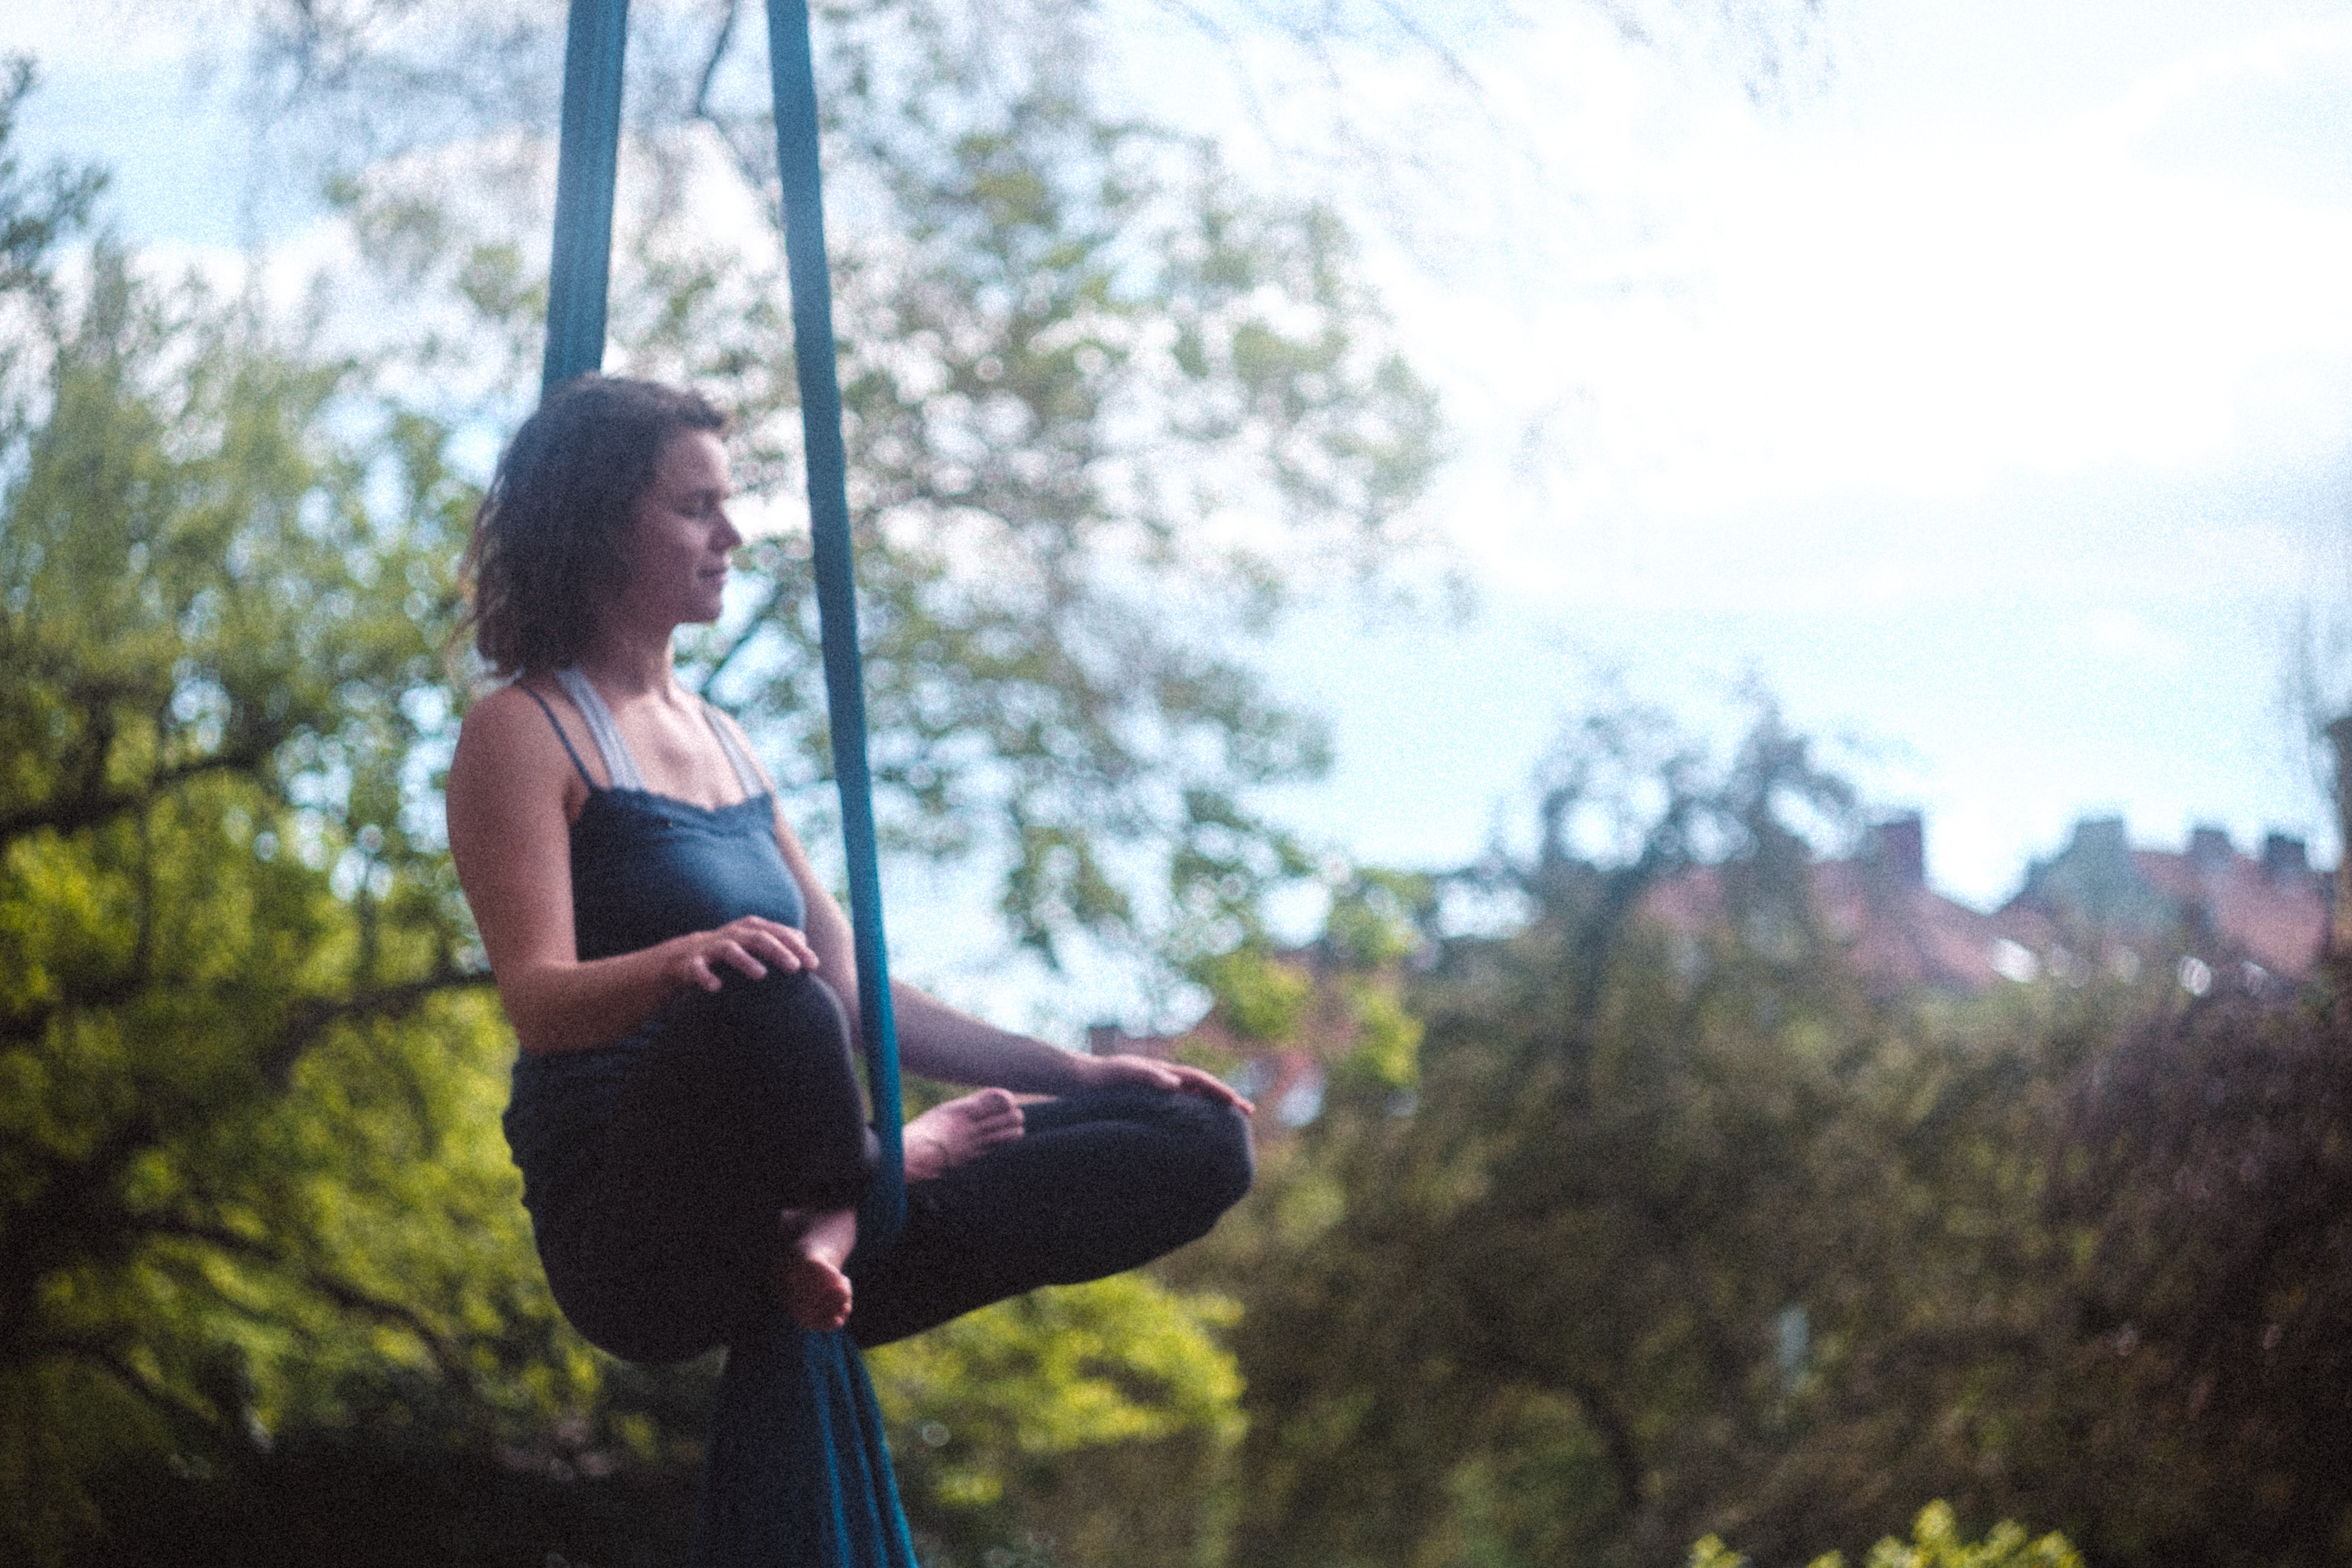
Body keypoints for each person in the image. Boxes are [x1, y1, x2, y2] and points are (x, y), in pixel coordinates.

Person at [445, 374, 1253, 1362]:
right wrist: (686, 959)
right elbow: (538, 1001)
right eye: (697, 508)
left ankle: (833, 1236)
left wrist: (1075, 1071)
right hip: (640, 1236)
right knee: (769, 993)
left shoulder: (723, 738)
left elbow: (856, 992)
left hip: (788, 1232)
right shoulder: (523, 733)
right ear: (602, 525)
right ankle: (882, 1175)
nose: (731, 535)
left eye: (728, 505)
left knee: (1193, 1137)